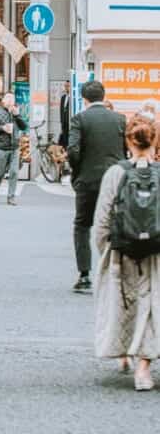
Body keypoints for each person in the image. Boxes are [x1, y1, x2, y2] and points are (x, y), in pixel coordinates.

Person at [92, 114, 160, 391]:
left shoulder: (115, 173)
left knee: (123, 302)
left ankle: (123, 351)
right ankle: (144, 368)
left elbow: (102, 220)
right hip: (155, 251)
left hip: (122, 250)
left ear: (128, 142)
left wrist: (105, 250)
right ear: (155, 141)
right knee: (152, 305)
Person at [67, 79, 127, 293]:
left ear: (84, 99)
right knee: (114, 225)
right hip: (115, 180)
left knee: (82, 225)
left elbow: (73, 150)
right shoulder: (119, 119)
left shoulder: (80, 119)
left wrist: (77, 172)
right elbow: (126, 149)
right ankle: (115, 272)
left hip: (87, 180)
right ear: (104, 96)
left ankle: (84, 275)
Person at [0, 93, 27, 206]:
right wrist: (2, 128)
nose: (10, 101)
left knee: (14, 172)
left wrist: (17, 115)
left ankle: (11, 197)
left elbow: (24, 126)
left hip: (14, 148)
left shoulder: (16, 112)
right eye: (8, 98)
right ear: (3, 101)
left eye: (12, 99)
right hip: (1, 148)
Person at [58, 81, 71, 148]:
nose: (66, 88)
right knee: (65, 139)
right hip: (64, 122)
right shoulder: (63, 97)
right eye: (65, 86)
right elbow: (61, 110)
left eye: (68, 86)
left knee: (70, 139)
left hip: (70, 122)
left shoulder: (73, 97)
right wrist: (61, 121)